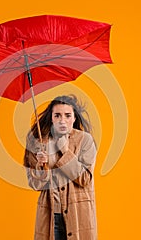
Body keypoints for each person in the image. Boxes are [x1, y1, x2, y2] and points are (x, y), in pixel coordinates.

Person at [24, 95, 97, 240]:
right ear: (51, 118)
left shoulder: (85, 140)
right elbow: (35, 184)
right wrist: (40, 165)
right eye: (57, 115)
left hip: (78, 214)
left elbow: (85, 179)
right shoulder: (39, 142)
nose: (62, 120)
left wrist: (64, 151)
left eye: (67, 115)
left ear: (74, 118)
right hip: (50, 213)